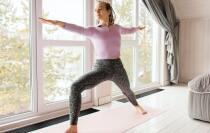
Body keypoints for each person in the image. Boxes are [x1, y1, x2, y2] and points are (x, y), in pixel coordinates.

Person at [39, 1, 147, 133]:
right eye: (95, 10)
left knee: (127, 90)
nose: (97, 12)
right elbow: (75, 28)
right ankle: (73, 126)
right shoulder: (92, 31)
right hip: (101, 68)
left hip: (117, 67)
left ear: (108, 11)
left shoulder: (117, 28)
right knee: (75, 87)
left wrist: (138, 28)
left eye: (100, 9)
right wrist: (56, 23)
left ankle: (136, 105)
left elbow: (129, 30)